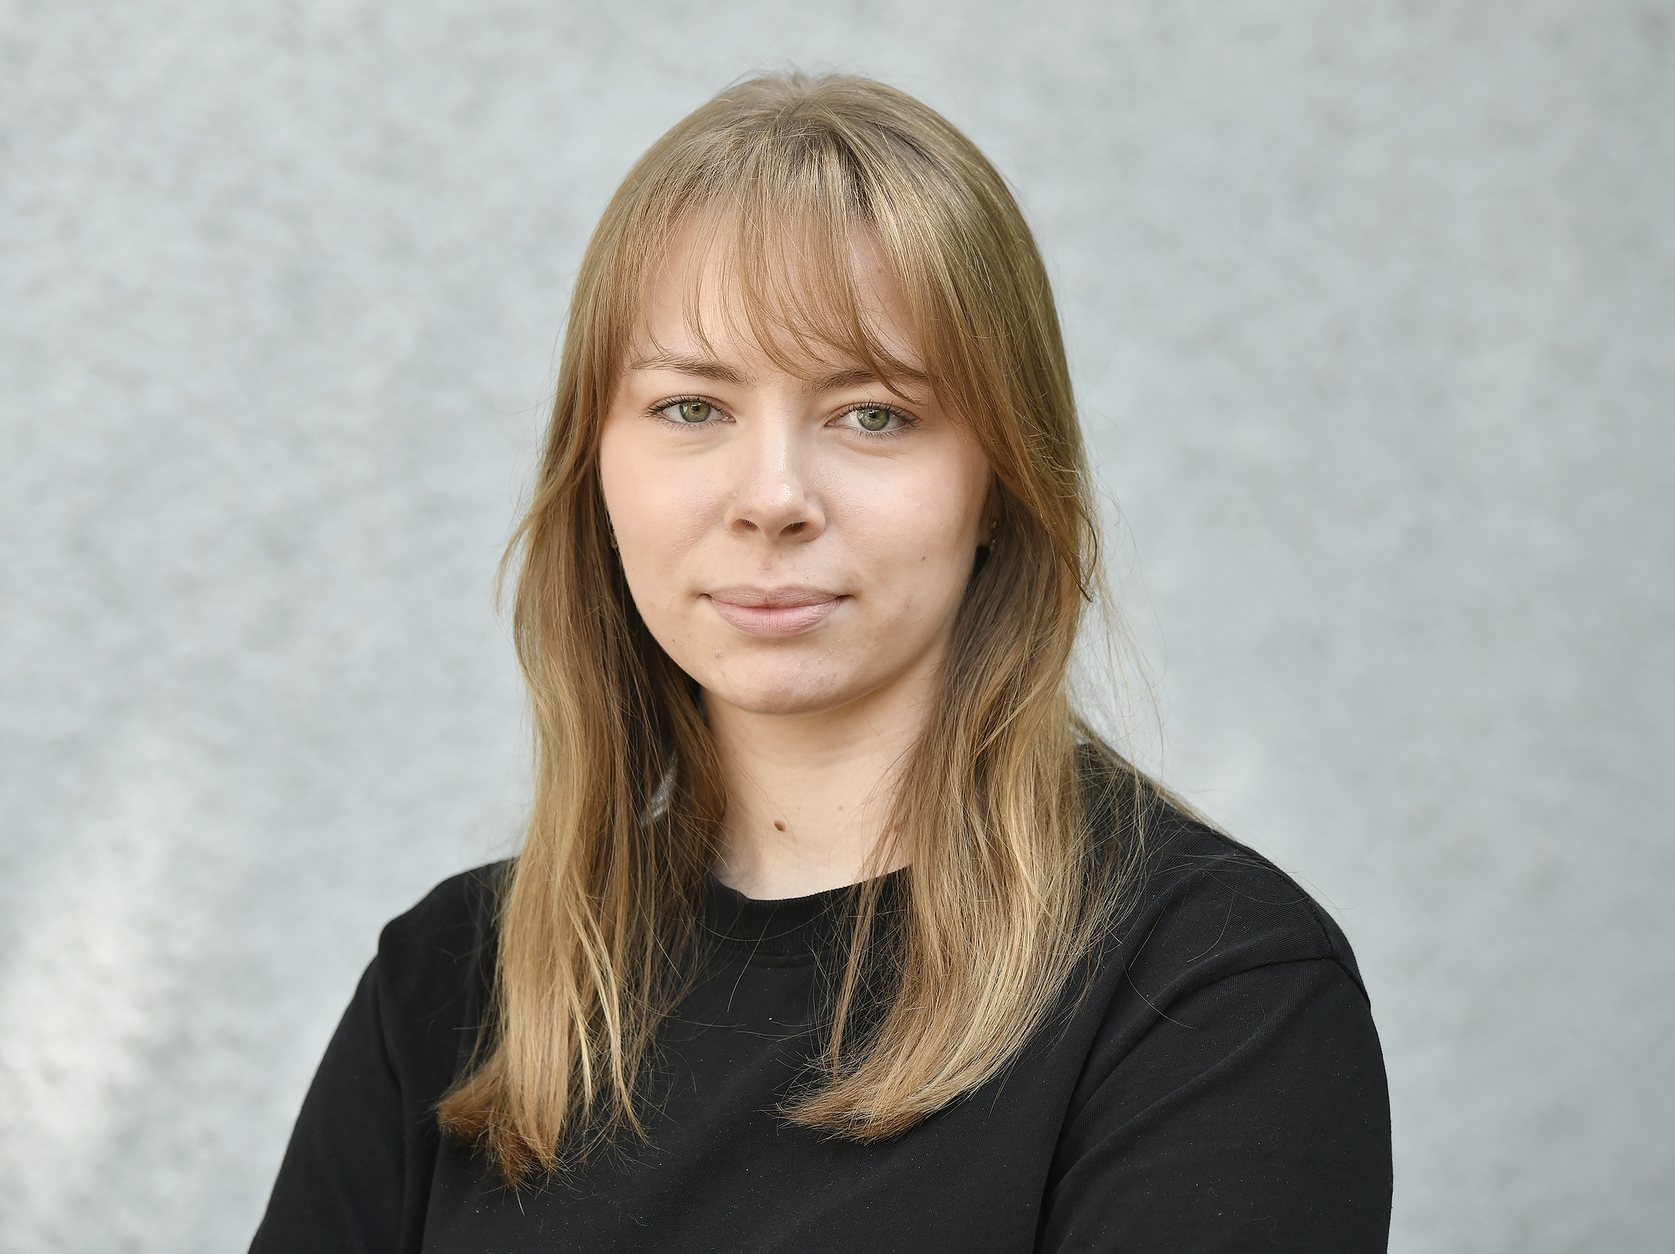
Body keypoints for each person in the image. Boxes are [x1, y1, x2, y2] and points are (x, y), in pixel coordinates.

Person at [249, 72, 1390, 1253]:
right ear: (594, 470)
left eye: (872, 414)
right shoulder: (447, 988)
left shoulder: (1212, 991)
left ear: (1000, 480)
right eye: (692, 408)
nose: (772, 497)